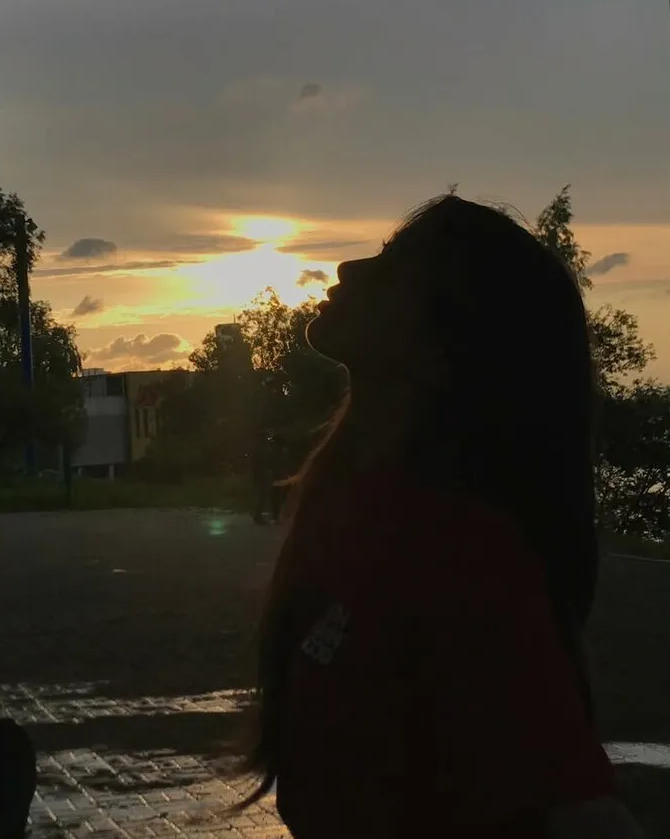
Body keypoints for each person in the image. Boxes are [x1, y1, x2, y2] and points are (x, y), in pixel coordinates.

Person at [230, 196, 644, 837]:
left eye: (393, 266)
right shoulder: (361, 510)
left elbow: (583, 814)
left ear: (441, 350)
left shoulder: (464, 561)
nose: (348, 268)